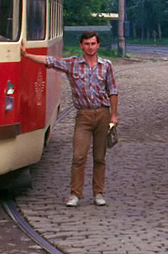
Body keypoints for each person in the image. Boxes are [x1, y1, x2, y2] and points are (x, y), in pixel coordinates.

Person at [22, 31, 118, 207]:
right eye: (87, 44)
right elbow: (49, 61)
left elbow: (112, 90)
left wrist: (113, 115)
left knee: (99, 157)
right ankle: (75, 194)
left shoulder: (106, 65)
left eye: (93, 44)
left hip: (103, 114)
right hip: (83, 116)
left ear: (98, 45)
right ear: (81, 45)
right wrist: (26, 55)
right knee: (78, 156)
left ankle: (98, 193)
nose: (90, 47)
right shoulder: (72, 64)